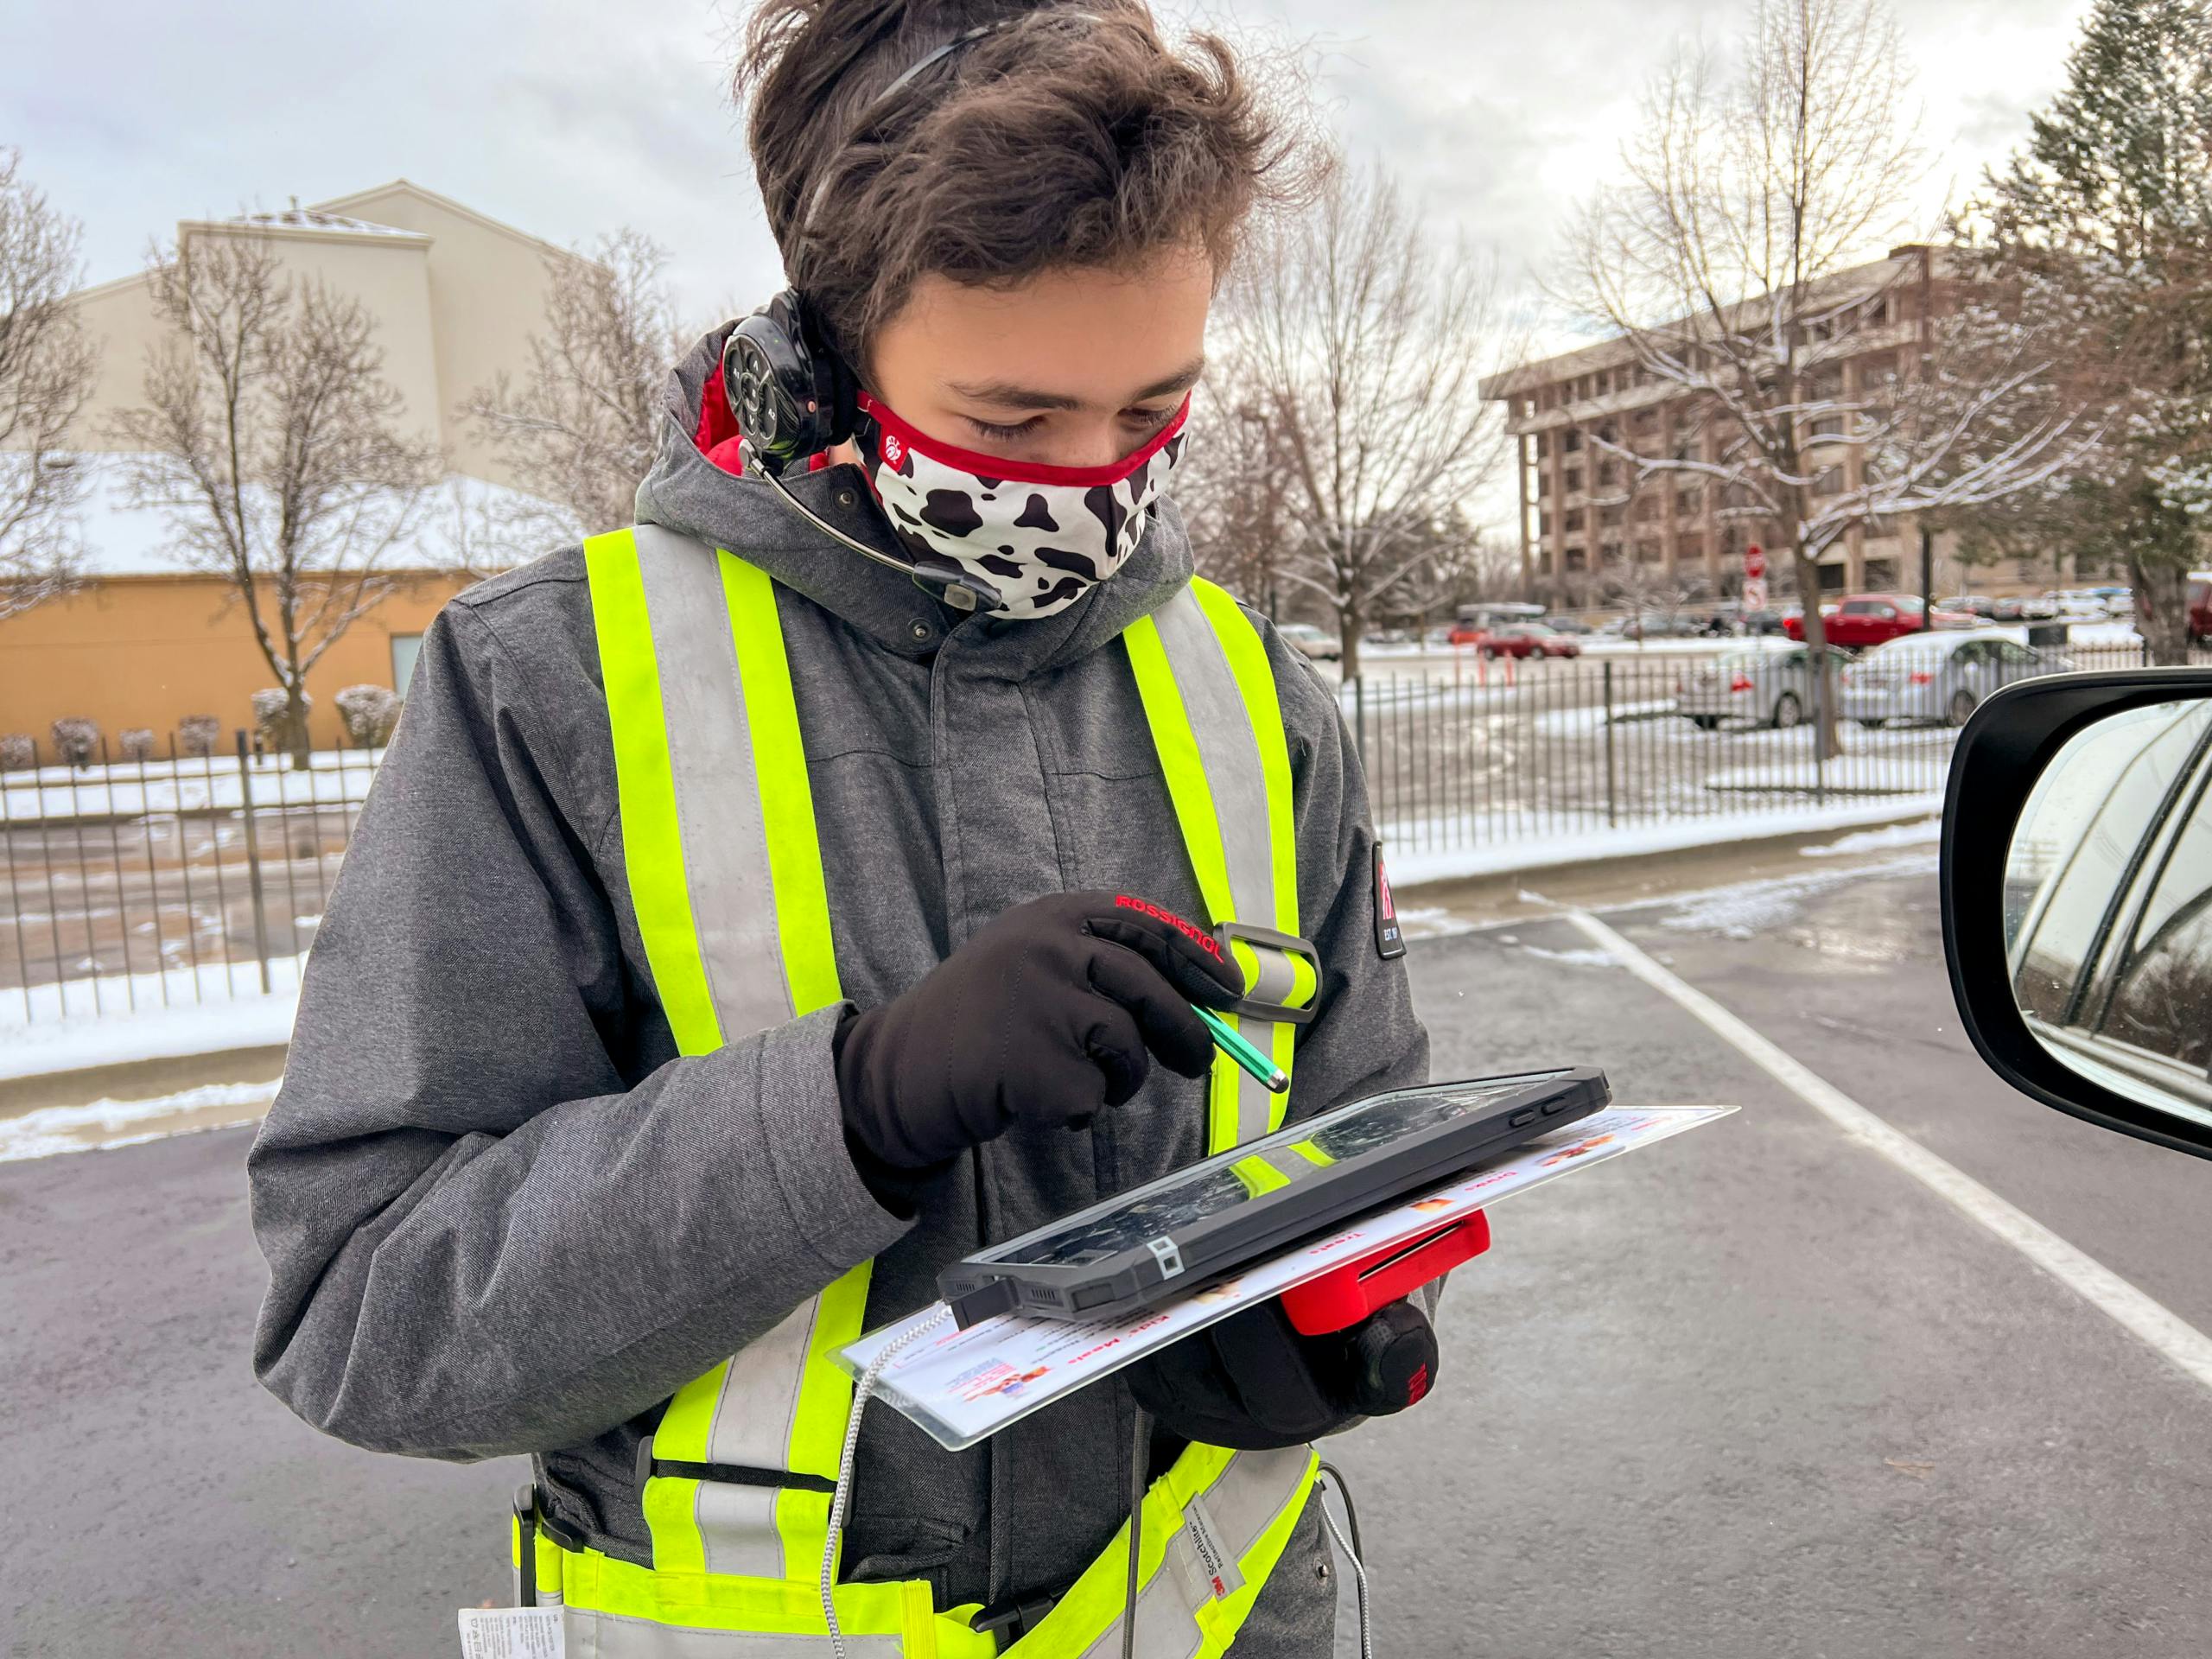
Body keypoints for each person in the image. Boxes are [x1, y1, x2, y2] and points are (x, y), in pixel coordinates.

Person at [246, 3, 1433, 1654]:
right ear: (831, 349)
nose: (1092, 482)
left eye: (1154, 409)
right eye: (1012, 423)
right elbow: (367, 1313)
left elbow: (1371, 1109)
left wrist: (1350, 1305)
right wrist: (853, 1109)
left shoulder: (1250, 685)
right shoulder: (554, 681)